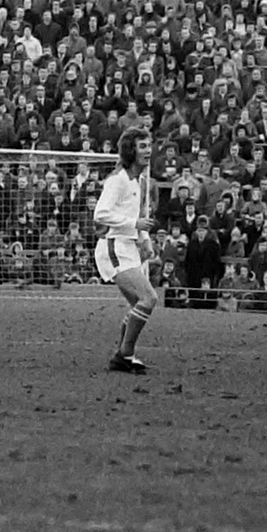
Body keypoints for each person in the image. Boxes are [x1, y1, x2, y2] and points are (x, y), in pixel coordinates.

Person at [93, 128, 157, 373]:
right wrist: (134, 225)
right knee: (148, 298)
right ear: (131, 150)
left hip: (128, 245)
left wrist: (144, 238)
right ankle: (124, 355)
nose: (148, 151)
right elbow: (100, 214)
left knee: (139, 304)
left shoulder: (138, 181)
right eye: (142, 146)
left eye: (149, 145)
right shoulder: (117, 180)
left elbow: (138, 215)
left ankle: (123, 356)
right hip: (113, 245)